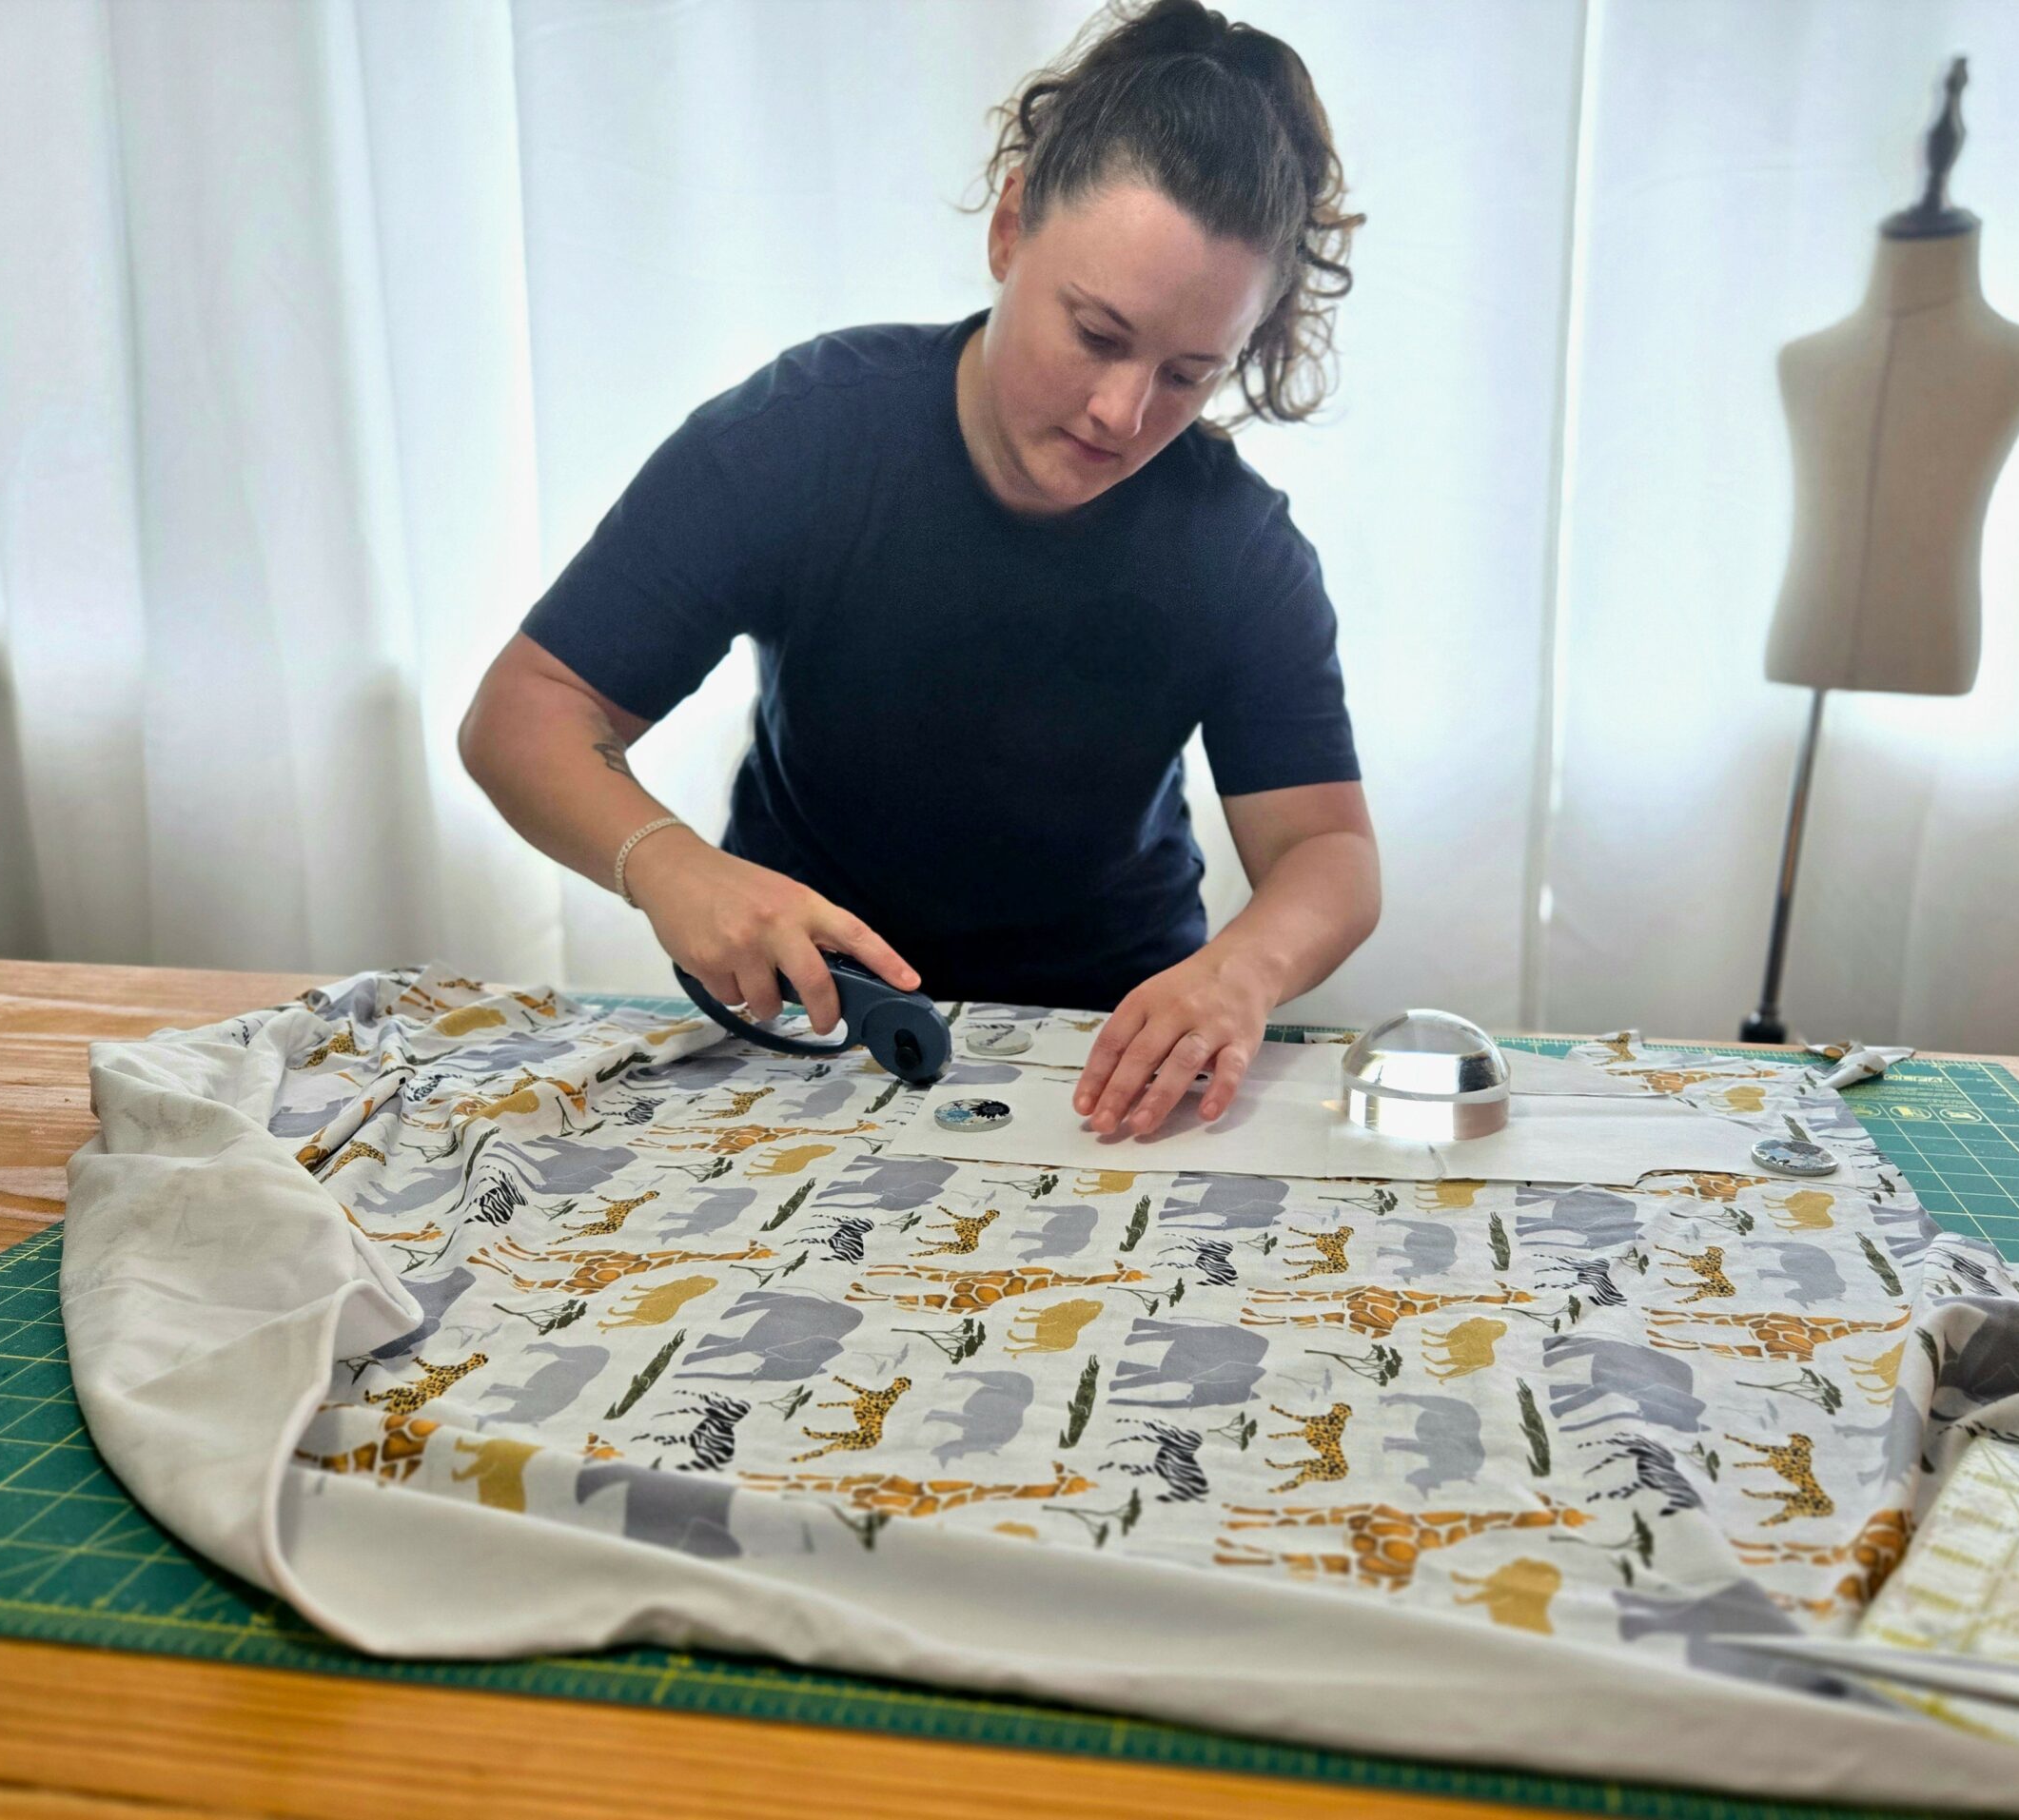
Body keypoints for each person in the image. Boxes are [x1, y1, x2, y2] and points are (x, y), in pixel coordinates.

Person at [459, 0, 1378, 1141]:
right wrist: (669, 863)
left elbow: (1327, 849)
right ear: (1010, 229)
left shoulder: (1238, 546)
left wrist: (1242, 970)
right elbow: (526, 712)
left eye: (1188, 374)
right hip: (811, 1027)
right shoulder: (804, 438)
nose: (1122, 411)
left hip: (1103, 1060)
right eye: (1097, 334)